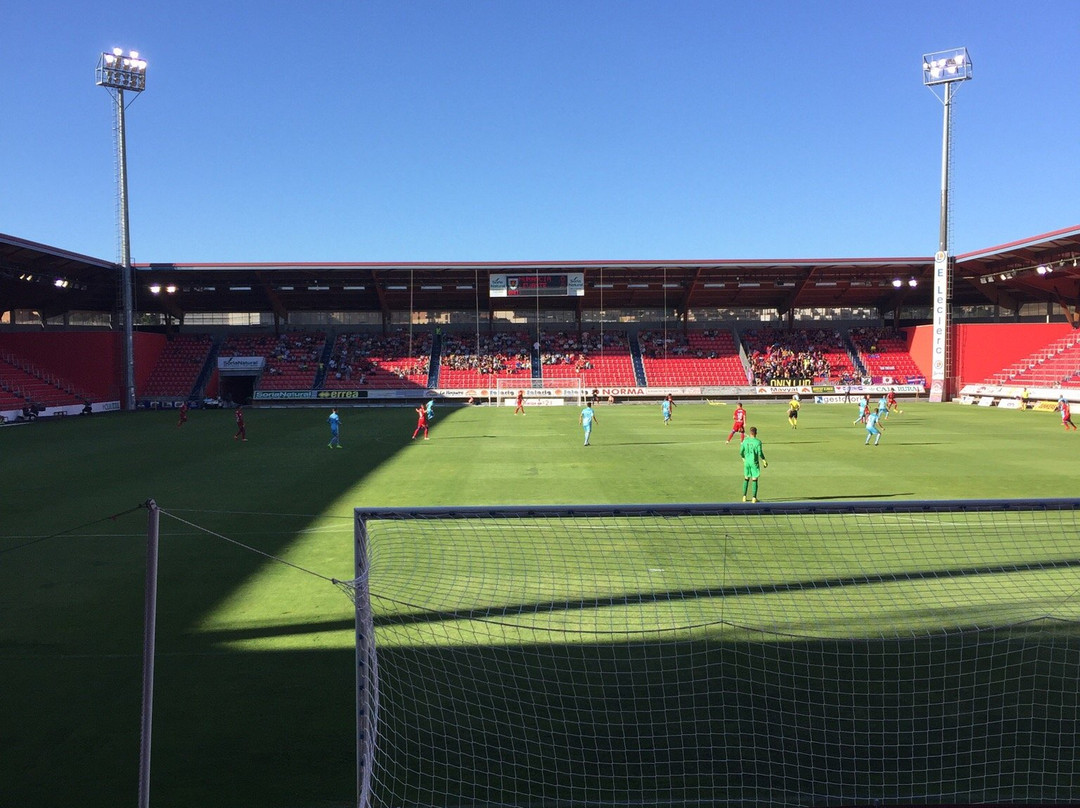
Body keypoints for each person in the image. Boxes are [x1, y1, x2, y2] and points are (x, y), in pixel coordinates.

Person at [739, 426, 767, 502]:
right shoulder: (758, 442)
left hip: (747, 462)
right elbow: (760, 453)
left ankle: (744, 496)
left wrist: (743, 458)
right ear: (756, 433)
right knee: (754, 479)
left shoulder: (745, 440)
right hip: (754, 462)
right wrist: (764, 460)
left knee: (746, 478)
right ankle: (754, 498)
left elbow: (741, 451)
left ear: (750, 433)